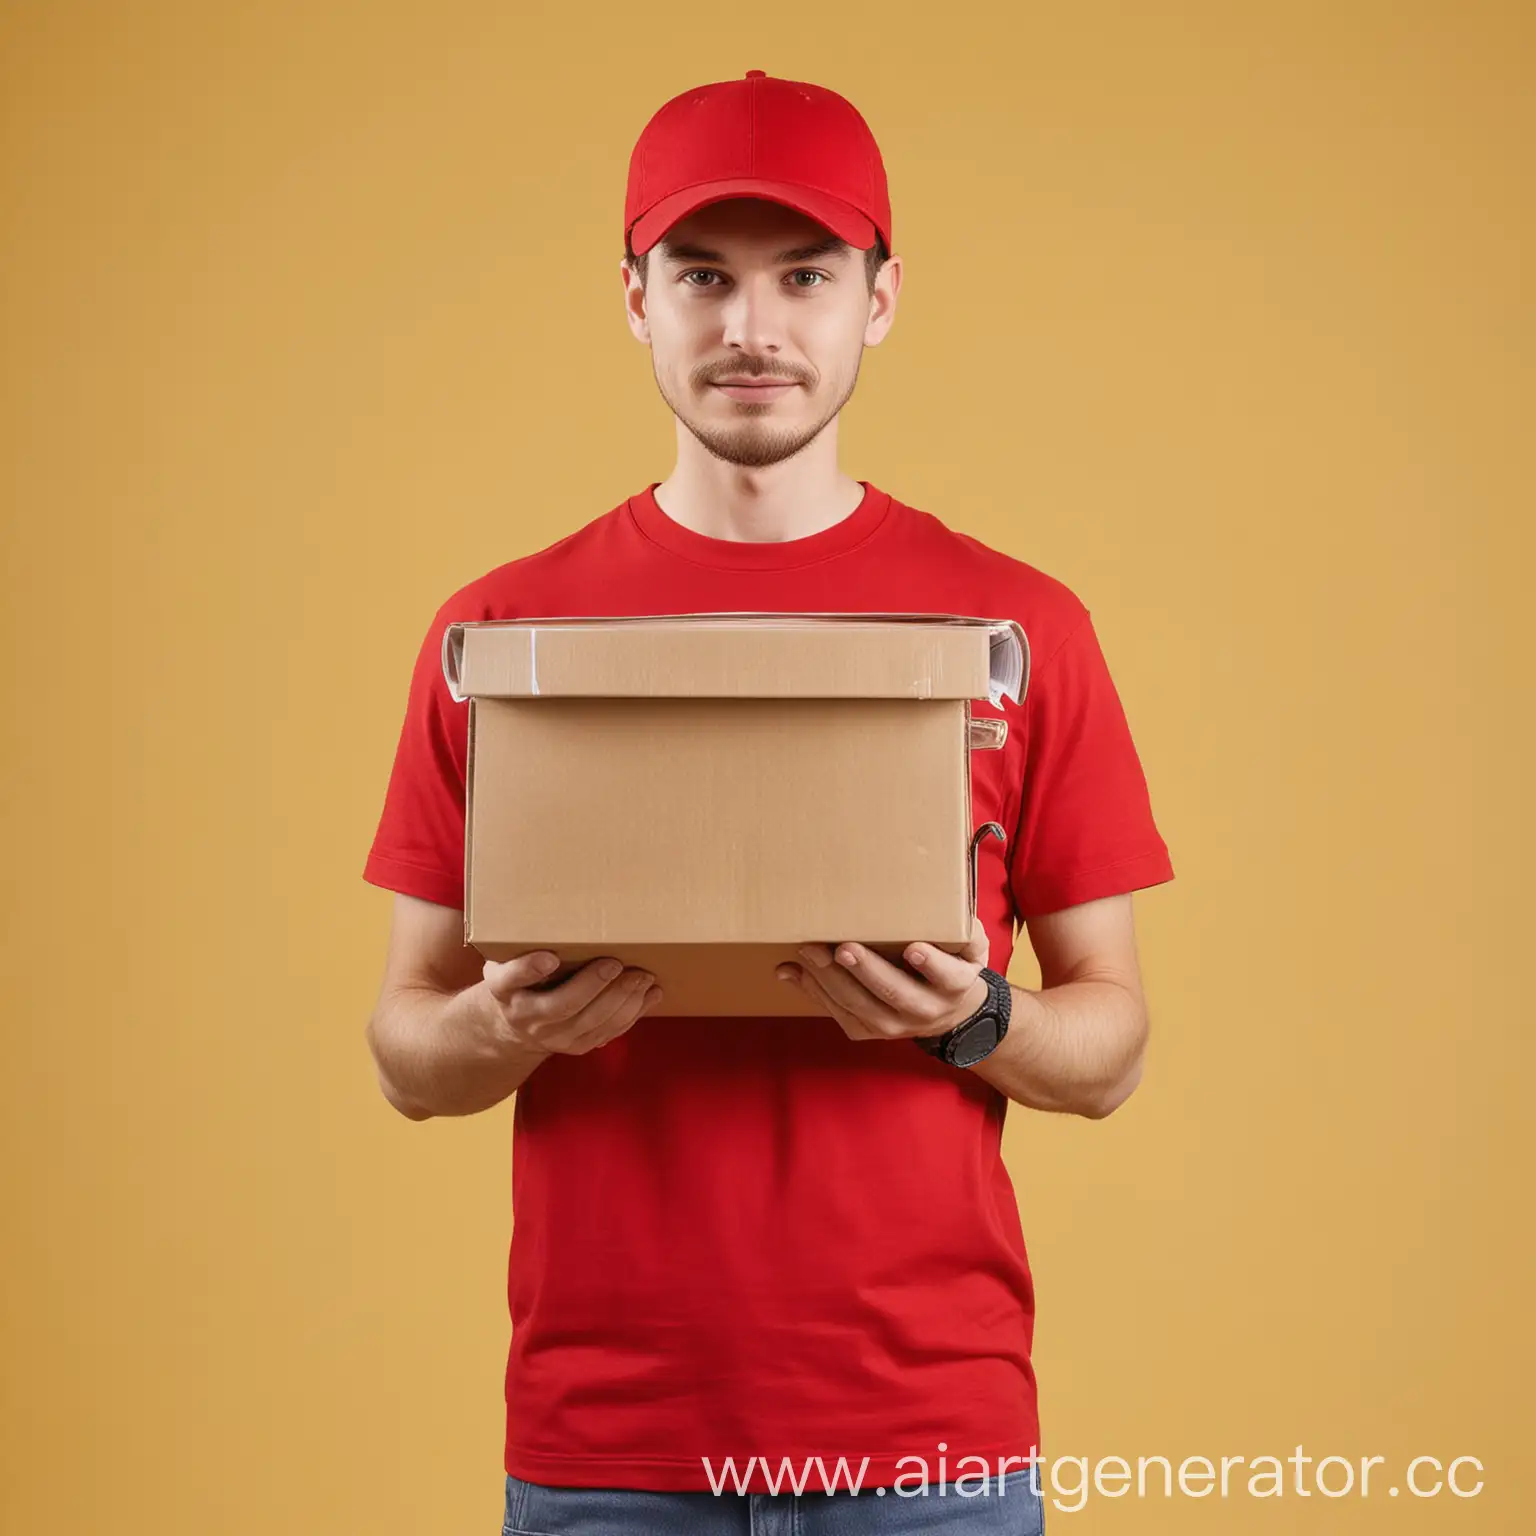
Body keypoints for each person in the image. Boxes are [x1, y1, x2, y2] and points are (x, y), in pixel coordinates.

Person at [362, 68, 1174, 1536]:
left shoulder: (1018, 626)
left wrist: (972, 1017)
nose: (751, 329)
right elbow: (408, 1047)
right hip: (604, 1448)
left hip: (931, 1444)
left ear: (879, 298)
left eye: (803, 276)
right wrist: (503, 1025)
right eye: (702, 276)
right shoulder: (501, 637)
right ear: (634, 299)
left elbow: (1108, 1041)